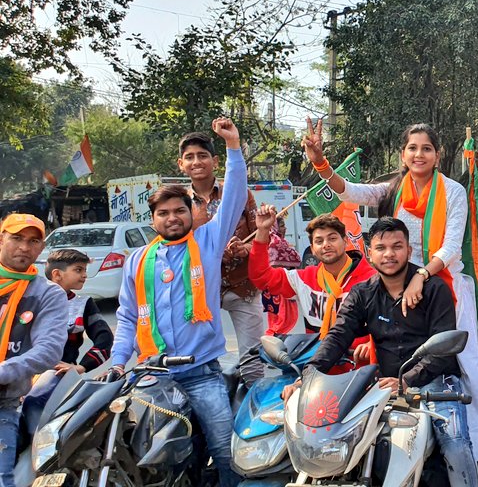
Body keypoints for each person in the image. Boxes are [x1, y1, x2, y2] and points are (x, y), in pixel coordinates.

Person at [301, 119, 478, 481]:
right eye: (412, 148)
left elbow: (451, 246)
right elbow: (350, 192)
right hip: (396, 282)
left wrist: (421, 277)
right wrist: (320, 162)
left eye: (426, 148)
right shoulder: (393, 188)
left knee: (468, 370)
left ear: (438, 154)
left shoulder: (453, 191)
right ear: (403, 154)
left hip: (441, 283)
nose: (419, 154)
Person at [283, 217, 478, 486]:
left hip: (435, 381)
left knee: (455, 445)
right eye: (381, 248)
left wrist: (407, 380)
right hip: (386, 386)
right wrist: (308, 375)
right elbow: (338, 336)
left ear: (409, 250)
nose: (389, 254)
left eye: (397, 246)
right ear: (369, 253)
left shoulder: (434, 289)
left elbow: (442, 350)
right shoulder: (362, 293)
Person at [110, 118, 246, 487]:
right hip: (153, 377)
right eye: (164, 213)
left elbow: (234, 197)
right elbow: (127, 317)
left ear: (191, 214)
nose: (172, 218)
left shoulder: (207, 242)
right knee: (157, 458)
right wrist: (118, 362)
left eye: (179, 211)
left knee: (225, 450)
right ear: (153, 219)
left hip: (202, 373)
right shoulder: (138, 261)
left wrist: (233, 147)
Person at [177, 131, 264, 382]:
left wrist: (245, 249)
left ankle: (253, 401)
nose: (196, 162)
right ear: (181, 164)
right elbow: (174, 246)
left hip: (243, 287)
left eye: (202, 155)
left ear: (215, 161)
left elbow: (265, 235)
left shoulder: (238, 193)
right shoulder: (179, 203)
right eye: (190, 157)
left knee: (252, 360)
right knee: (201, 358)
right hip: (200, 290)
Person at [0, 214, 68, 484]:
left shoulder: (47, 294)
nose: (24, 247)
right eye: (16, 238)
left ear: (42, 248)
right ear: (1, 239)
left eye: (33, 241)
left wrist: (3, 372)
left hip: (3, 403)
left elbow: (48, 351)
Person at [248, 205, 376, 350]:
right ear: (313, 249)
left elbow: (391, 324)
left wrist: (371, 346)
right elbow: (261, 276)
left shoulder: (372, 280)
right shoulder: (303, 279)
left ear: (345, 241)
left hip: (359, 362)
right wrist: (262, 231)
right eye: (319, 241)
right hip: (317, 360)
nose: (326, 245)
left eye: (332, 238)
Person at [45, 249, 113, 374]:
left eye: (85, 270)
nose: (85, 275)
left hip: (60, 375)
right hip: (27, 374)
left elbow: (105, 338)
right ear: (57, 274)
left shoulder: (84, 304)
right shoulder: (33, 299)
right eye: (78, 270)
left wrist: (83, 366)